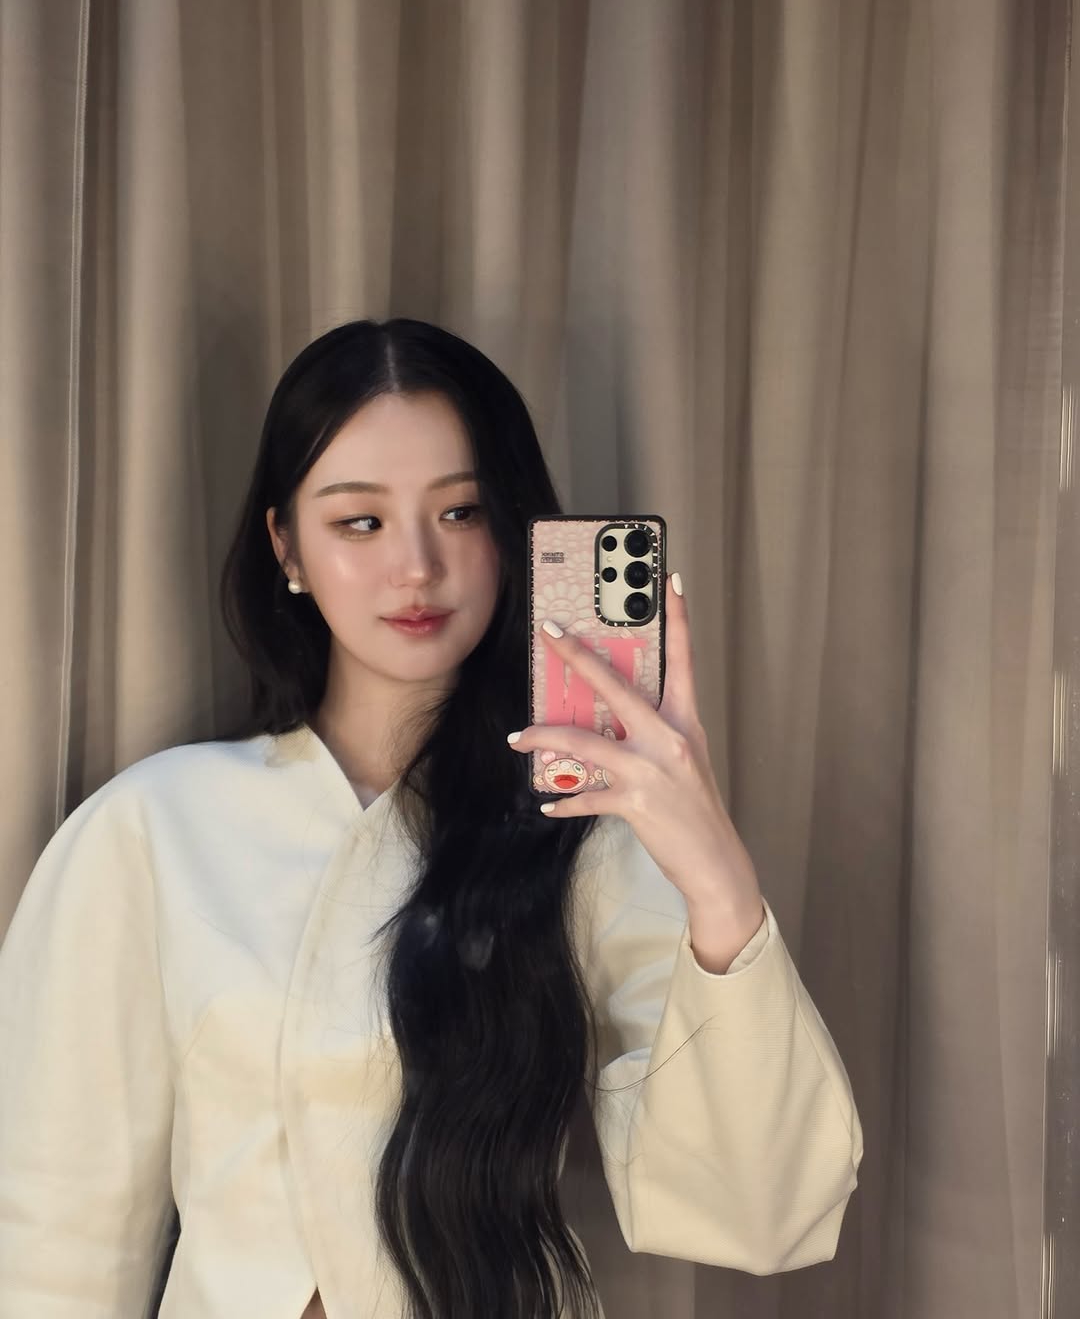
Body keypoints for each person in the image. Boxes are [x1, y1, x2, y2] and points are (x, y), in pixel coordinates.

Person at [0, 318, 863, 1319]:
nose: (416, 566)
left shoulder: (583, 828)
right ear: (286, 547)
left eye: (460, 512)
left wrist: (716, 877)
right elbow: (55, 1233)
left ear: (513, 533)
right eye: (359, 522)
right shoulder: (152, 829)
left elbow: (762, 1212)